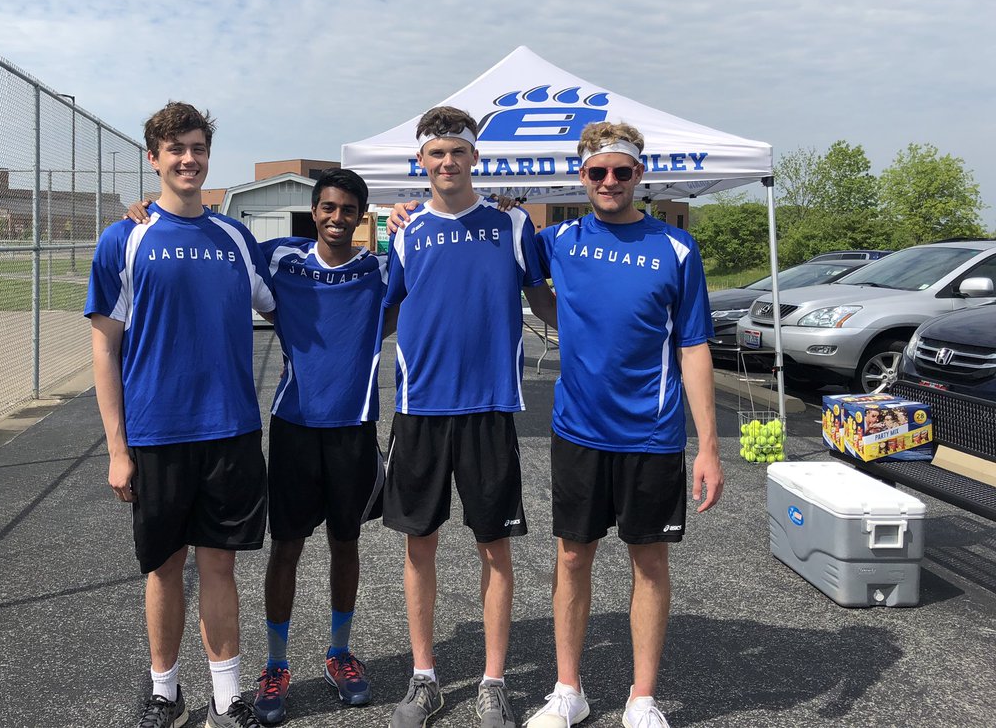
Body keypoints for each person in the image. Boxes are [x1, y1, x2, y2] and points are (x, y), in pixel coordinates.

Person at [524, 121, 724, 728]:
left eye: (622, 171)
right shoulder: (557, 239)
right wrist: (401, 214)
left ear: (640, 175)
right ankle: (568, 691)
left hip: (652, 433)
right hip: (578, 429)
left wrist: (709, 447)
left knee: (650, 561)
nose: (609, 182)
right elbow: (519, 272)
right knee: (572, 558)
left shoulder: (676, 248)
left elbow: (694, 347)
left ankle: (642, 697)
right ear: (582, 177)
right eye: (597, 172)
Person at [87, 101, 274, 728]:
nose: (189, 159)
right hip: (157, 432)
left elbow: (294, 288)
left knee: (219, 564)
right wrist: (117, 448)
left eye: (197, 148)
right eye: (176, 150)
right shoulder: (126, 237)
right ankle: (164, 692)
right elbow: (105, 347)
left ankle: (228, 696)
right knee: (165, 568)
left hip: (230, 429)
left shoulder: (235, 237)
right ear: (154, 158)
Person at [382, 105, 554, 728]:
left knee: (494, 545)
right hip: (420, 408)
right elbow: (384, 305)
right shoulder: (402, 228)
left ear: (473, 157)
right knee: (418, 544)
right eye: (436, 153)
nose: (447, 162)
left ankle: (493, 681)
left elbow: (545, 299)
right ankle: (424, 677)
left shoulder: (510, 223)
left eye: (457, 151)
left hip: (488, 408)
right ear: (421, 162)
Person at [250, 168, 390, 724]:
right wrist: (146, 211)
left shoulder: (379, 266)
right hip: (293, 426)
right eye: (327, 208)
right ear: (315, 211)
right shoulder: (281, 256)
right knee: (286, 546)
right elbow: (214, 237)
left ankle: (339, 654)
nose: (336, 218)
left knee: (345, 541)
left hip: (353, 427)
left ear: (361, 216)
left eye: (347, 209)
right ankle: (277, 663)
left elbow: (436, 259)